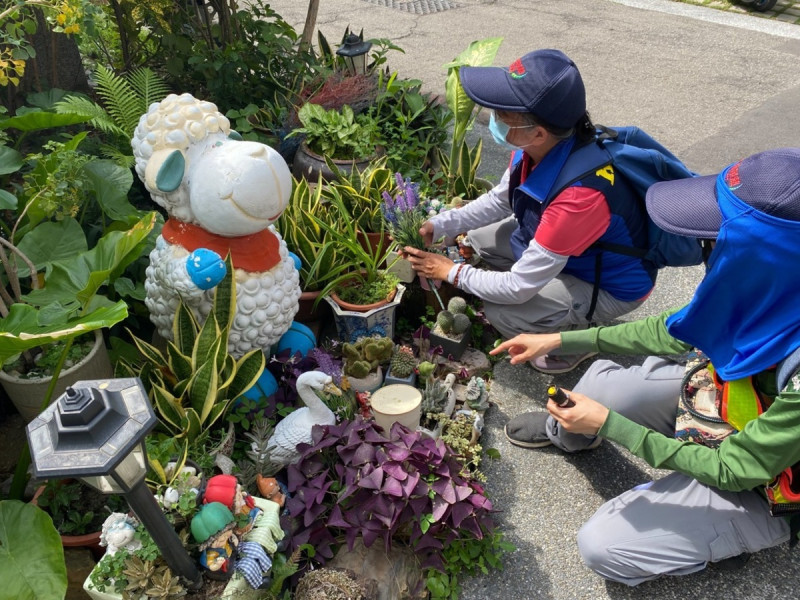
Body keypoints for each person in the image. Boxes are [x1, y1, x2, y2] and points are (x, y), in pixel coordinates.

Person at [490, 148, 800, 585]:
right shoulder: (779, 286)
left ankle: (720, 542)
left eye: (714, 238)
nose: (703, 247)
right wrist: (562, 338)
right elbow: (671, 332)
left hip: (769, 482)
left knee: (604, 546)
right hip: (735, 402)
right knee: (599, 387)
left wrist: (612, 425)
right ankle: (572, 431)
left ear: (761, 256)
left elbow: (735, 470)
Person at [404, 49, 660, 374]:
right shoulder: (542, 146)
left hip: (611, 286)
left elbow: (517, 288)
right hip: (576, 251)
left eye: (503, 113)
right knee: (482, 240)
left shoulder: (578, 198)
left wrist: (451, 273)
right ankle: (552, 292)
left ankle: (573, 343)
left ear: (538, 132)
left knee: (504, 311)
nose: (494, 116)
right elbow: (501, 199)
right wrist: (440, 225)